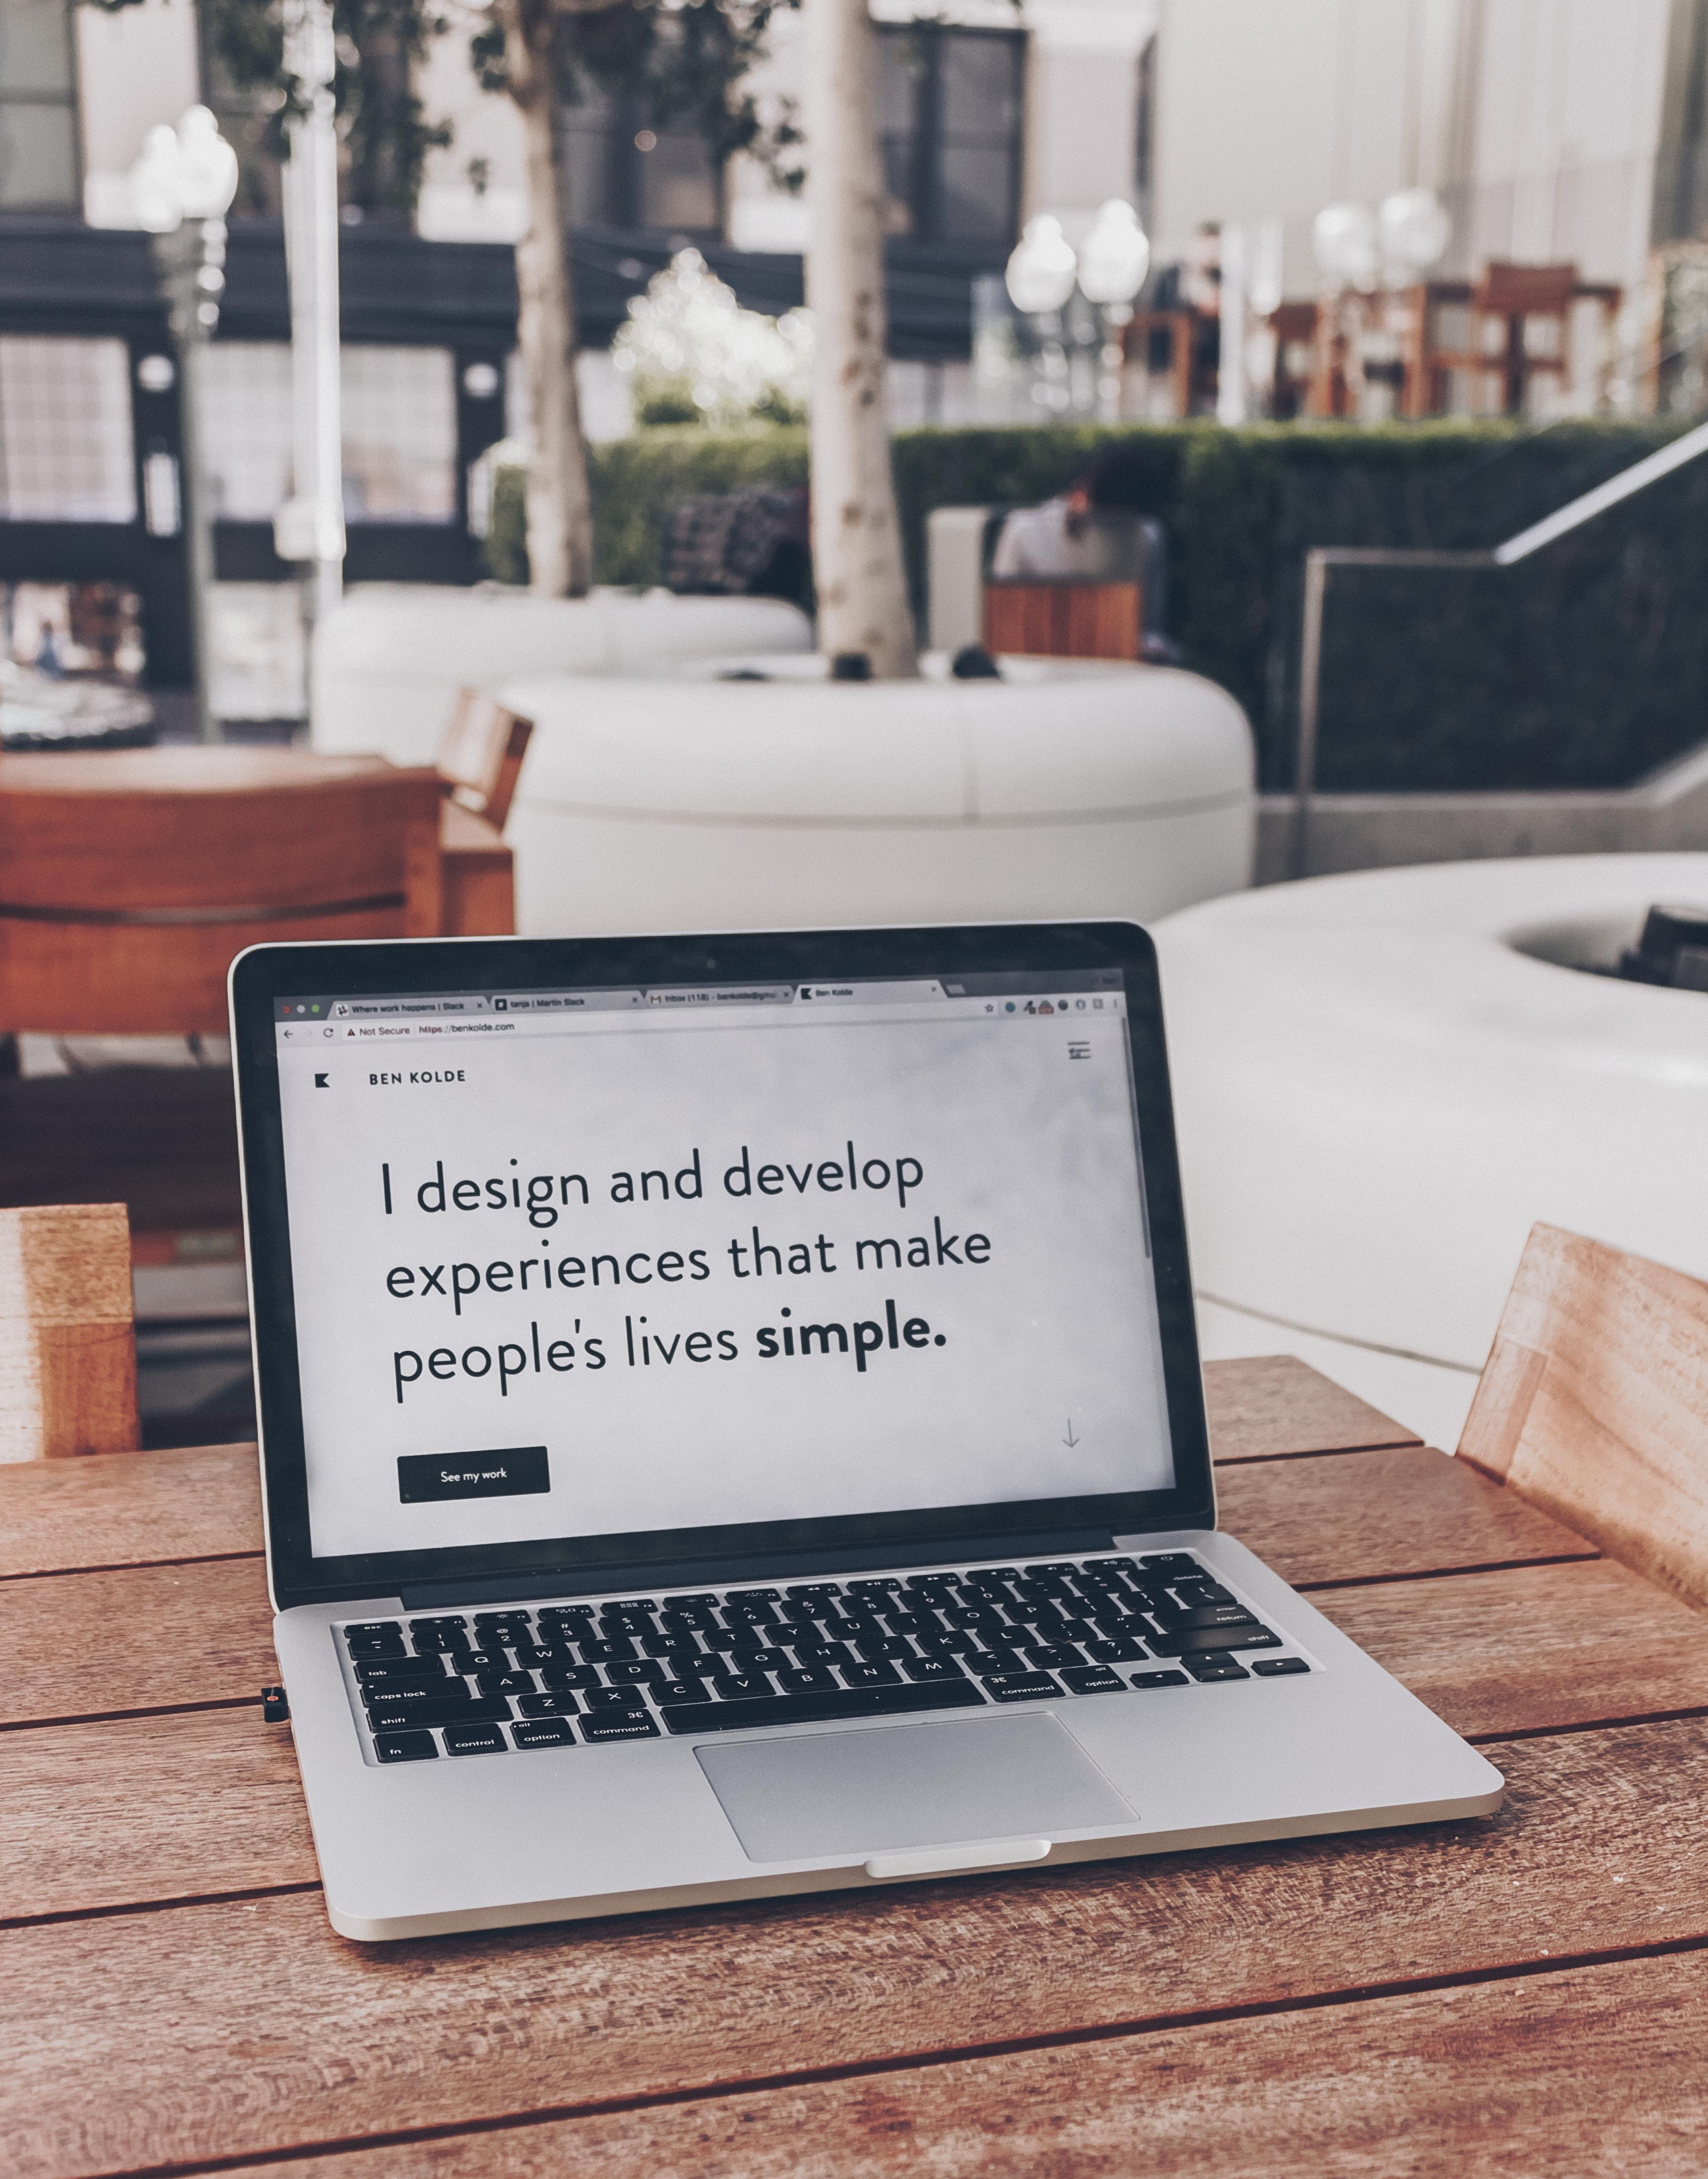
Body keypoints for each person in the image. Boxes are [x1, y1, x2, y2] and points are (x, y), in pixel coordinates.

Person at [988, 452, 1176, 660]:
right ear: (1081, 492)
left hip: (1110, 664)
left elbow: (1148, 627)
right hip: (1039, 660)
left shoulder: (1146, 534)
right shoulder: (1024, 530)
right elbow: (1004, 619)